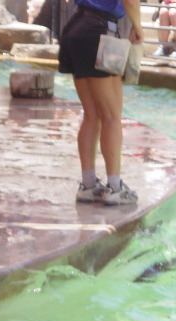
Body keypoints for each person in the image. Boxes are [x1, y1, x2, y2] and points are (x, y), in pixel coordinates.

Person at [58, 0, 143, 205]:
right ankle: (115, 187)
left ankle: (88, 185)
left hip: (75, 27)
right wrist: (138, 27)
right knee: (111, 116)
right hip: (100, 31)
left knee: (92, 114)